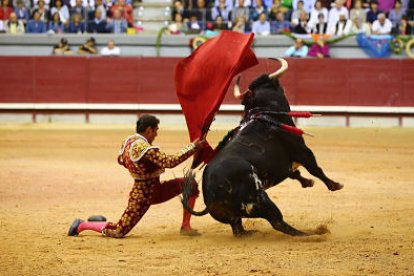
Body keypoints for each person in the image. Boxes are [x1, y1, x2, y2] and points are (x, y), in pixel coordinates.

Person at [68, 115, 204, 238]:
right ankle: (82, 225)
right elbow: (169, 162)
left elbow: (120, 160)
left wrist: (140, 169)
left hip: (156, 189)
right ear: (149, 130)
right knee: (118, 231)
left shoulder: (129, 141)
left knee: (190, 183)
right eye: (156, 130)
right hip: (142, 195)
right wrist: (192, 147)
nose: (156, 134)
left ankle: (185, 226)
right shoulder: (141, 148)